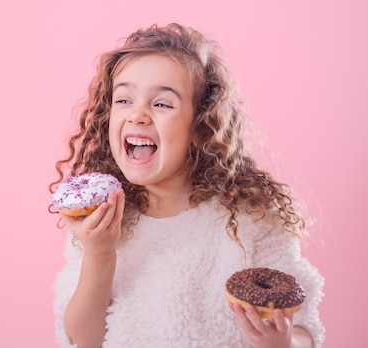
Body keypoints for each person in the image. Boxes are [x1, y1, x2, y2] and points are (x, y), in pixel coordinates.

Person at [49, 23, 324, 348]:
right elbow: (84, 340)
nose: (137, 115)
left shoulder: (252, 220)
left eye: (162, 104)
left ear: (200, 127)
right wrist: (100, 252)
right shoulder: (101, 220)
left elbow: (305, 329)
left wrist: (282, 343)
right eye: (123, 100)